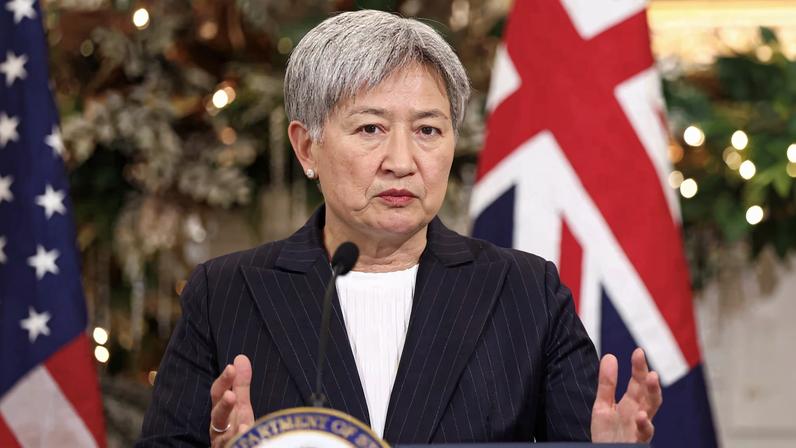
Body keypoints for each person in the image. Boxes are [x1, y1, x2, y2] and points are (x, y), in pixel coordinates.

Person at [137, 10, 662, 447]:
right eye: (371, 129)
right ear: (306, 147)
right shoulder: (227, 293)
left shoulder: (526, 292)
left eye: (428, 130)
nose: (402, 161)